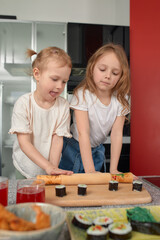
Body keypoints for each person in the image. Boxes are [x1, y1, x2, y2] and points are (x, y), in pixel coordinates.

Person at [59, 43, 130, 174]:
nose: (108, 76)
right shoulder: (82, 94)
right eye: (102, 69)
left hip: (98, 149)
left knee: (93, 190)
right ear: (92, 68)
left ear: (121, 76)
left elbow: (116, 135)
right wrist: (90, 171)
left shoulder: (120, 99)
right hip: (74, 148)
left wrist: (114, 169)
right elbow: (83, 134)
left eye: (115, 73)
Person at [9, 46, 73, 178]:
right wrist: (48, 166)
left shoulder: (63, 106)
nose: (59, 86)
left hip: (49, 169)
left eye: (64, 81)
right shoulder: (23, 103)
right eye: (55, 79)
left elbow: (57, 140)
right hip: (24, 168)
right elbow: (24, 143)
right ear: (37, 74)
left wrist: (52, 169)